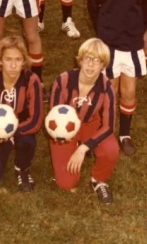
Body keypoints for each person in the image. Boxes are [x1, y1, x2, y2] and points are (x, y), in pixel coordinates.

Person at [87, 0, 147, 157]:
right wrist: (105, 33)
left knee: (129, 90)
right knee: (110, 90)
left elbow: (146, 13)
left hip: (132, 46)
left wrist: (135, 32)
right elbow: (93, 9)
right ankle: (106, 131)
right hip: (109, 46)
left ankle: (125, 133)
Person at [49, 38, 119, 204]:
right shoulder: (63, 80)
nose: (91, 65)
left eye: (97, 60)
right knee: (66, 183)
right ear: (80, 60)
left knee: (111, 150)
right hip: (64, 129)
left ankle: (98, 180)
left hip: (90, 124)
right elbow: (55, 116)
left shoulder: (106, 86)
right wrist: (66, 138)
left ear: (103, 66)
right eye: (87, 58)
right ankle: (72, 150)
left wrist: (84, 148)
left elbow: (109, 126)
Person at [0, 36, 43, 192]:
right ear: (0, 61)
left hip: (21, 124)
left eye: (18, 59)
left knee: (28, 142)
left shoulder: (32, 80)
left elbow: (35, 120)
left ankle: (22, 168)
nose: (13, 65)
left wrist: (10, 134)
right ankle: (5, 147)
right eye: (8, 59)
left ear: (24, 61)